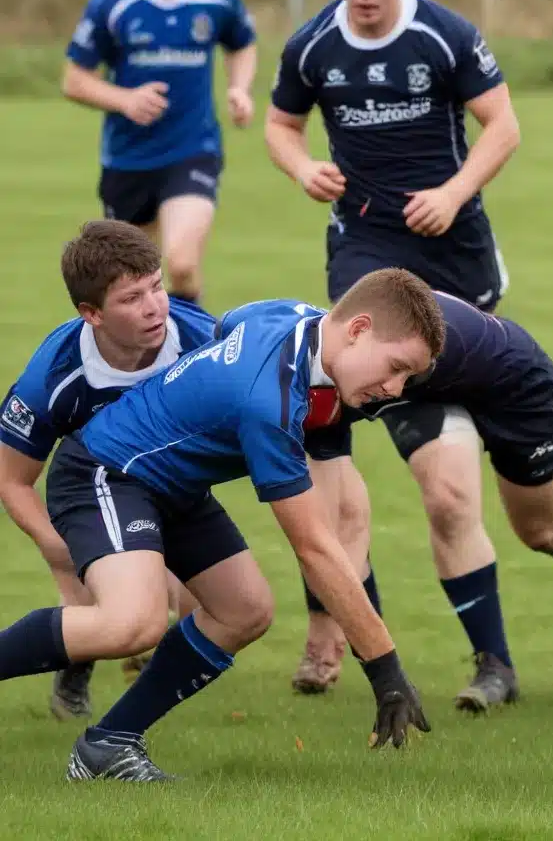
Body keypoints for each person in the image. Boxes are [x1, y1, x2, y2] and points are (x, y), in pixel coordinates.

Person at [0, 270, 444, 780]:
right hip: (105, 471)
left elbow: (232, 323)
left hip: (171, 484)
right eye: (396, 368)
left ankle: (108, 745)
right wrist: (385, 669)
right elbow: (315, 549)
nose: (395, 388)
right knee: (133, 622)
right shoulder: (269, 400)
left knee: (244, 611)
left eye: (408, 379)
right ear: (359, 328)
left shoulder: (299, 319)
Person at [264, 0, 525, 702]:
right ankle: (384, 647)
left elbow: (503, 125)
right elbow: (280, 125)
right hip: (366, 258)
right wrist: (300, 166)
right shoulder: (313, 45)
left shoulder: (443, 36)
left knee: (513, 507)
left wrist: (453, 191)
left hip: (457, 264)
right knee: (349, 455)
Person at [223, 292, 553, 709]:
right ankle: (496, 666)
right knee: (449, 498)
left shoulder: (387, 359)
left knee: (541, 529)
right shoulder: (353, 372)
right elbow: (329, 516)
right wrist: (335, 627)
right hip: (417, 389)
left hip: (511, 385)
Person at [0, 220, 212, 721]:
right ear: (91, 313)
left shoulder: (203, 339)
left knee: (230, 606)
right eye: (132, 297)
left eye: (157, 286)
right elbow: (12, 479)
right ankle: (78, 662)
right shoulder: (52, 377)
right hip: (87, 487)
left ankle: (133, 710)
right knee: (116, 608)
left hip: (174, 484)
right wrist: (55, 545)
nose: (154, 305)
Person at [62, 0, 257, 304]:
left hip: (193, 149)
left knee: (182, 265)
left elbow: (242, 44)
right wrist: (125, 100)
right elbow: (74, 80)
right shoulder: (113, 4)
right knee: (134, 281)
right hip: (128, 160)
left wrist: (239, 87)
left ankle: (195, 353)